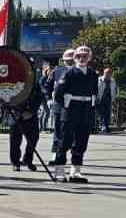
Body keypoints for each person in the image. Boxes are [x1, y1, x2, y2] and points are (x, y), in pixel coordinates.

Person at [55, 45, 99, 183]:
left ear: (89, 58)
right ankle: (60, 170)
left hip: (85, 110)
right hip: (70, 110)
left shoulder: (93, 74)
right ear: (74, 58)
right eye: (79, 56)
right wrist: (65, 108)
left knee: (81, 142)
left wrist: (92, 111)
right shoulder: (69, 73)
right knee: (65, 141)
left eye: (85, 56)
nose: (82, 58)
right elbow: (58, 94)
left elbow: (94, 93)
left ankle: (75, 171)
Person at [10, 70, 45, 172]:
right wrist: (20, 112)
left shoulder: (34, 82)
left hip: (31, 115)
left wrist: (31, 111)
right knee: (15, 141)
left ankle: (28, 160)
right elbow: (10, 98)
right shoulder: (13, 81)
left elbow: (39, 97)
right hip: (16, 114)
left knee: (33, 138)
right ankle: (15, 162)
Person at [47, 49, 74, 163]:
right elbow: (47, 84)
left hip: (74, 107)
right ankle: (55, 155)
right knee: (58, 131)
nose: (69, 62)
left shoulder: (81, 71)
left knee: (73, 133)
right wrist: (48, 98)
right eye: (67, 60)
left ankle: (74, 156)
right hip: (59, 105)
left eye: (71, 60)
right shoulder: (57, 71)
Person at [97, 67, 118, 133]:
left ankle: (106, 126)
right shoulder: (99, 79)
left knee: (107, 113)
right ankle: (103, 126)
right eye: (106, 73)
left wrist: (114, 99)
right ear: (104, 73)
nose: (107, 74)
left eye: (109, 73)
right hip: (100, 98)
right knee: (101, 113)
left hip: (108, 99)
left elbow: (114, 91)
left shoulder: (113, 81)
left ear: (111, 74)